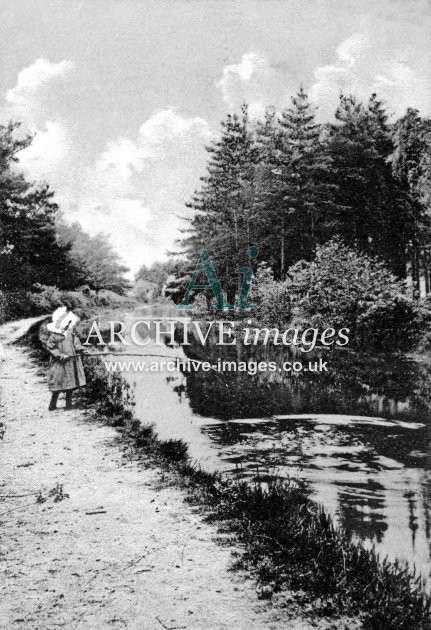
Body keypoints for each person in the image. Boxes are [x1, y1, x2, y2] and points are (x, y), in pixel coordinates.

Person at [45, 307, 90, 411]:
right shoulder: (54, 336)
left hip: (70, 363)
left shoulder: (71, 335)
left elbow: (77, 345)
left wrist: (83, 350)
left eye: (69, 324)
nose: (68, 326)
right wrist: (60, 355)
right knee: (57, 383)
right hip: (59, 364)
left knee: (70, 384)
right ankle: (52, 404)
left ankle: (68, 405)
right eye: (66, 323)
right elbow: (50, 347)